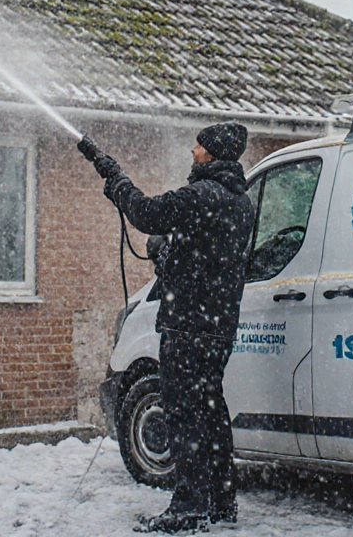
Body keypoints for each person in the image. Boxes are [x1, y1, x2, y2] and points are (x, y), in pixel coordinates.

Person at [80, 122, 255, 534]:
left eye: (199, 145)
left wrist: (115, 177)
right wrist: (169, 252)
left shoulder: (200, 195)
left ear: (213, 153)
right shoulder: (240, 201)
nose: (192, 151)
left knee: (182, 412)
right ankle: (221, 500)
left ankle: (189, 505)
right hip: (217, 324)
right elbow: (207, 255)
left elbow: (146, 214)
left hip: (188, 324)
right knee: (210, 409)